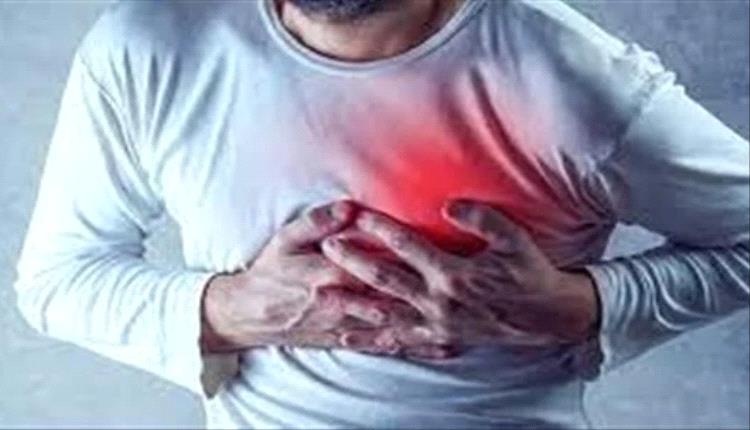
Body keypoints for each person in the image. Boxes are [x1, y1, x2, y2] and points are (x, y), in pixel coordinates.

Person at [14, 0, 749, 428]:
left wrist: (581, 305)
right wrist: (229, 308)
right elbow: (57, 280)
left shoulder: (574, 77)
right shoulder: (150, 47)